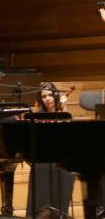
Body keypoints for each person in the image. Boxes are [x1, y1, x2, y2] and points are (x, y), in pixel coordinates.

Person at [24, 82, 76, 218]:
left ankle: (60, 213)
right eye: (44, 96)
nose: (47, 98)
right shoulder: (38, 117)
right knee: (41, 167)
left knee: (66, 171)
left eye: (50, 95)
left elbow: (69, 137)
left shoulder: (64, 113)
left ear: (56, 95)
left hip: (61, 158)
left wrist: (64, 110)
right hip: (43, 158)